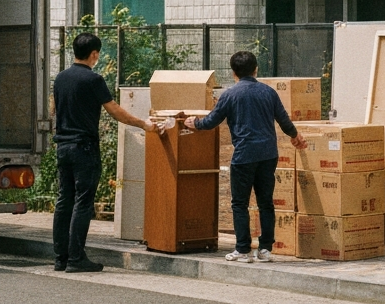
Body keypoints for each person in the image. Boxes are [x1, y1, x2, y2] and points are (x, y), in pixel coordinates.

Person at [53, 32, 165, 273]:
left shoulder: (60, 78)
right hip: (84, 148)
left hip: (62, 146)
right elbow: (114, 110)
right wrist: (143, 124)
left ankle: (61, 258)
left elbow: (55, 109)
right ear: (94, 54)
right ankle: (76, 258)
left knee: (65, 200)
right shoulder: (93, 79)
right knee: (83, 202)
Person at [185, 51, 306, 264]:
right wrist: (296, 136)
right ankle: (265, 249)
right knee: (265, 202)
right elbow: (284, 121)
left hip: (244, 155)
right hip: (268, 154)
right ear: (256, 69)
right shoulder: (269, 92)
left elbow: (211, 121)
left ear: (233, 72)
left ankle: (242, 249)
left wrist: (194, 123)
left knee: (240, 203)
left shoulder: (230, 95)